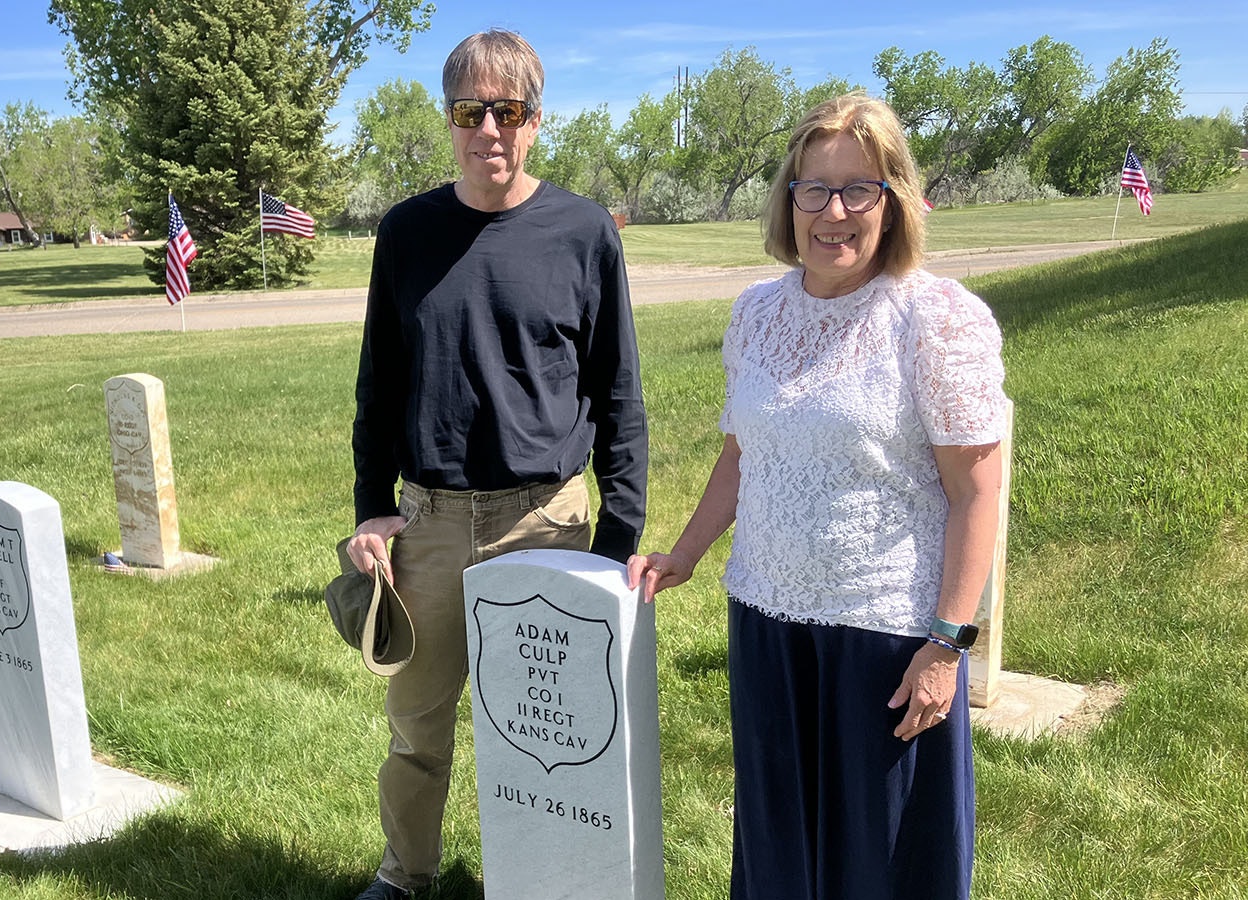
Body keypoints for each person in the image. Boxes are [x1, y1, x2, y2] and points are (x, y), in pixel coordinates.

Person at [626, 92, 1007, 900]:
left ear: (894, 201)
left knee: (882, 861)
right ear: (788, 199)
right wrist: (686, 553)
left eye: (857, 189)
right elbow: (741, 454)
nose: (833, 211)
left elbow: (978, 493)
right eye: (814, 188)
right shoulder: (757, 313)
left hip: (887, 638)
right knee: (779, 852)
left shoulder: (934, 318)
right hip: (765, 619)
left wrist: (948, 645)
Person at [345, 28, 648, 900]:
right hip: (430, 527)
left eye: (506, 111)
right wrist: (372, 507)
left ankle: (559, 879)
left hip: (546, 521)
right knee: (417, 729)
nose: (489, 130)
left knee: (560, 736)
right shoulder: (406, 233)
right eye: (469, 111)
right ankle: (406, 876)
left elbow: (618, 390)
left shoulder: (584, 232)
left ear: (535, 121)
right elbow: (379, 381)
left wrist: (618, 534)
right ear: (449, 120)